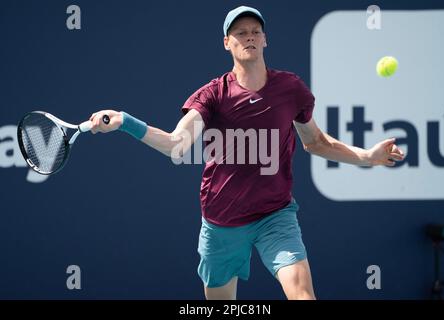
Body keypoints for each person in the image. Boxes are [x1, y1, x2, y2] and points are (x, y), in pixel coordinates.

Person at [89, 6, 404, 300]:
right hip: (221, 222)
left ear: (265, 39)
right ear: (227, 43)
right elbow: (177, 144)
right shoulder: (212, 95)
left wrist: (367, 157)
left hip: (275, 216)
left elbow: (316, 142)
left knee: (303, 295)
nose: (249, 36)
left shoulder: (291, 89)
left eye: (255, 31)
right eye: (240, 32)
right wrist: (125, 122)